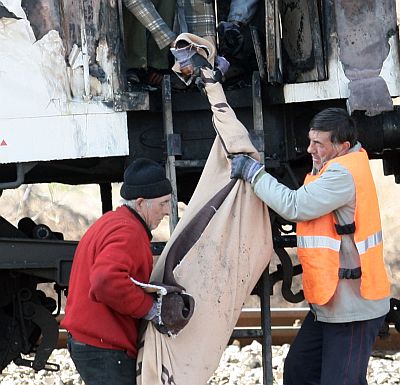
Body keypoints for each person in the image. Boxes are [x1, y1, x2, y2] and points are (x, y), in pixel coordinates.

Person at [229, 107, 391, 385]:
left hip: (354, 309)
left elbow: (295, 205)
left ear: (343, 146)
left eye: (319, 143)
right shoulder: (337, 163)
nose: (310, 149)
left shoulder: (342, 174)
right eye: (310, 140)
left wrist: (255, 174)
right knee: (299, 372)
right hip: (332, 305)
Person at [62, 158, 173, 385]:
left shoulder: (113, 222)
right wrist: (149, 308)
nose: (168, 211)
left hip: (94, 343)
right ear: (141, 203)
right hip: (104, 348)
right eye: (163, 203)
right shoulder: (129, 232)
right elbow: (105, 281)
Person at [122, 0, 216, 88]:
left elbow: (200, 10)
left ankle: (158, 66)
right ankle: (135, 66)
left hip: (165, 55)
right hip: (125, 50)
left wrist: (209, 53)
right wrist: (173, 42)